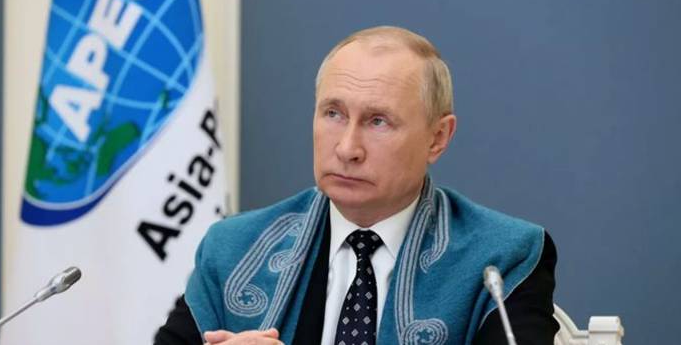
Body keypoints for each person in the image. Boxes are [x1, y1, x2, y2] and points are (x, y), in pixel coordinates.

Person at [154, 26, 558, 345]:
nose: (347, 148)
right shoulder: (234, 249)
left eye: (378, 121)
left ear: (437, 138)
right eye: (333, 113)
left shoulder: (502, 258)